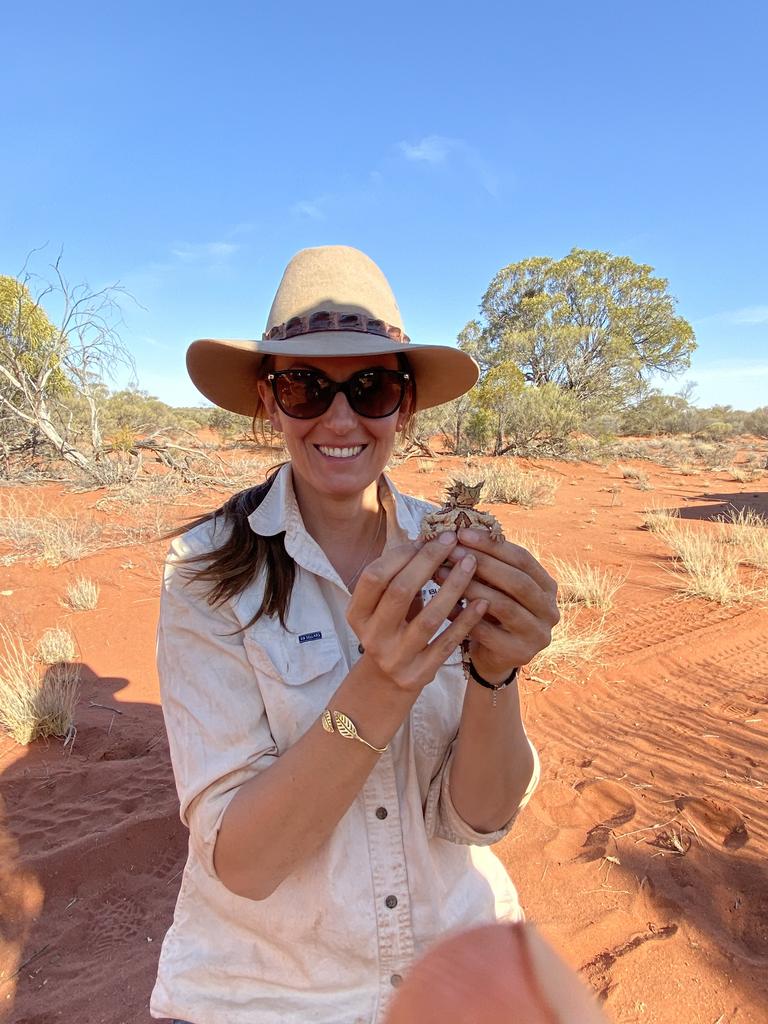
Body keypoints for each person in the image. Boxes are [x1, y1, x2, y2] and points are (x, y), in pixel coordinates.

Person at [150, 245, 560, 1024]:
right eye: (305, 387)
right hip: (272, 992)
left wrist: (498, 676)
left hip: (455, 962)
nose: (340, 418)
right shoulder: (204, 570)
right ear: (267, 403)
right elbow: (244, 862)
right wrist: (383, 682)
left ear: (406, 406)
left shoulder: (456, 551)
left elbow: (478, 819)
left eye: (371, 387)